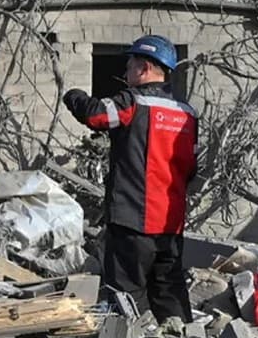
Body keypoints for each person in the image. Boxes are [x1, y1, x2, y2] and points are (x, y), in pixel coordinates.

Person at [61, 34, 199, 323]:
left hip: (133, 220)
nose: (126, 73)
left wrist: (74, 95)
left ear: (145, 68)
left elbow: (96, 116)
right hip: (170, 225)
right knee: (169, 293)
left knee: (124, 297)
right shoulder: (187, 113)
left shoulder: (133, 103)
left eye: (129, 66)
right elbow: (191, 169)